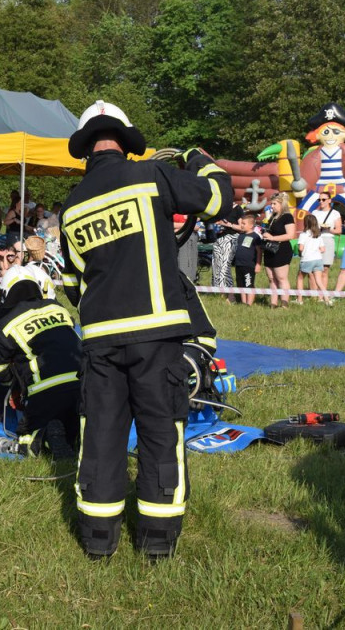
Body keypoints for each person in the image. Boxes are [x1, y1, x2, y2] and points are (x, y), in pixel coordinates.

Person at [61, 100, 233, 562]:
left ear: (85, 146)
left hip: (99, 337)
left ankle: (98, 539)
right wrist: (197, 156)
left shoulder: (71, 206)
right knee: (160, 431)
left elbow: (76, 281)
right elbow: (218, 198)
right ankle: (156, 542)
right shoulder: (150, 177)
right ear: (125, 137)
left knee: (100, 433)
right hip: (156, 333)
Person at [0, 265, 80, 457]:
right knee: (75, 431)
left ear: (5, 294)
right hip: (83, 385)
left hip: (45, 392)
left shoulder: (6, 324)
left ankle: (43, 435)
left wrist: (16, 385)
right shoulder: (58, 308)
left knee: (26, 438)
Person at [262, 193, 296, 308]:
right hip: (269, 250)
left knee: (281, 278)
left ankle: (284, 303)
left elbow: (290, 235)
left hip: (281, 250)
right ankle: (273, 303)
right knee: (271, 278)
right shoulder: (272, 217)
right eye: (271, 203)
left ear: (282, 204)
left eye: (274, 203)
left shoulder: (287, 216)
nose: (272, 206)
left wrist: (272, 238)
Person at [310, 191, 342, 295]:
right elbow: (309, 228)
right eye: (319, 200)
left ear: (329, 200)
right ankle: (313, 294)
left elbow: (339, 230)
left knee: (324, 269)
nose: (321, 202)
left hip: (328, 239)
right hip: (315, 239)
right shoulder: (314, 212)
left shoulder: (335, 213)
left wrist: (329, 229)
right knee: (313, 268)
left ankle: (322, 294)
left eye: (323, 199)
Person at [211, 198, 245, 291]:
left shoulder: (237, 209)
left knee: (225, 266)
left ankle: (229, 293)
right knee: (216, 265)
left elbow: (242, 227)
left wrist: (228, 224)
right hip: (218, 239)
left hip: (230, 239)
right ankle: (217, 291)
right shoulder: (219, 209)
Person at [232, 213, 263, 306]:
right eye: (241, 223)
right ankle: (243, 302)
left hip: (249, 265)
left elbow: (259, 252)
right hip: (239, 264)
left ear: (251, 225)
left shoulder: (255, 237)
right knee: (240, 284)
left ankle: (249, 304)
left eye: (244, 223)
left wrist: (258, 264)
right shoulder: (240, 236)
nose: (241, 225)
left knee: (248, 284)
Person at [295, 215, 326, 304]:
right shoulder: (318, 235)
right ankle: (326, 298)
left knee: (300, 278)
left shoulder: (303, 234)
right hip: (318, 259)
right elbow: (323, 249)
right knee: (319, 281)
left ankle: (299, 299)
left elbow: (301, 248)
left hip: (307, 259)